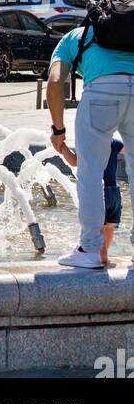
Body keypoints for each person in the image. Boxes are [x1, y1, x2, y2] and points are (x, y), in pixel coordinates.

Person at [47, 18, 134, 269]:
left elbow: (54, 83)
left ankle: (90, 250)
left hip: (101, 94)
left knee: (90, 172)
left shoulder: (76, 37)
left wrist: (58, 130)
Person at [57, 137, 124, 265]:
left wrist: (63, 147)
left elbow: (74, 161)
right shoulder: (113, 141)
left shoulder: (88, 139)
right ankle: (105, 255)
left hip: (99, 189)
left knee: (98, 226)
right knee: (109, 225)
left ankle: (101, 256)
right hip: (114, 190)